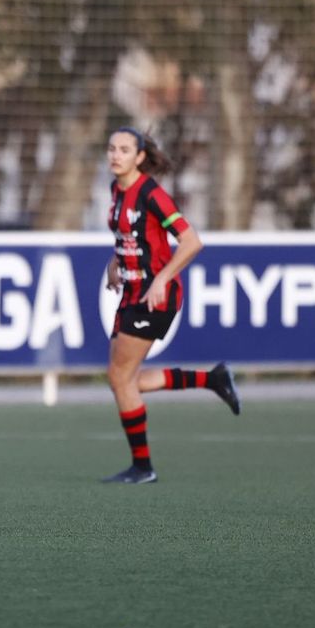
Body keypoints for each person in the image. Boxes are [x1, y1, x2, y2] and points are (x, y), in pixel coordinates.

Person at [101, 126, 240, 484]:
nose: (116, 155)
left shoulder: (151, 193)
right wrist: (115, 264)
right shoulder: (117, 190)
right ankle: (212, 378)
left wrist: (162, 278)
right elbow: (129, 237)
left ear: (140, 157)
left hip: (153, 296)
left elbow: (192, 242)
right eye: (112, 148)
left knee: (120, 378)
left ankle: (143, 467)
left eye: (124, 150)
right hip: (131, 293)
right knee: (124, 380)